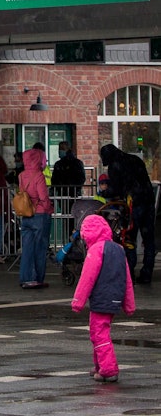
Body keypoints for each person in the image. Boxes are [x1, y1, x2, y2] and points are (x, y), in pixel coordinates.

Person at [71, 213, 136, 383]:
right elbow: (127, 278)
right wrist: (129, 304)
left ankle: (108, 369)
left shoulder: (96, 250)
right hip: (115, 296)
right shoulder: (119, 249)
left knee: (99, 333)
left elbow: (87, 278)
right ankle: (100, 364)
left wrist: (78, 301)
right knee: (99, 331)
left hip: (101, 297)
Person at [99, 143, 156, 285]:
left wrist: (104, 193)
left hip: (133, 204)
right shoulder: (135, 159)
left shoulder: (115, 165)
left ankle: (129, 273)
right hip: (148, 201)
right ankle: (147, 273)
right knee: (148, 239)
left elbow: (116, 188)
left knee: (129, 238)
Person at [18, 143, 54, 289]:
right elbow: (43, 196)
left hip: (26, 213)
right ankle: (36, 278)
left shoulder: (22, 175)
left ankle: (26, 277)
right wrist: (48, 208)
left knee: (27, 248)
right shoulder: (39, 175)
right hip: (40, 215)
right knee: (40, 247)